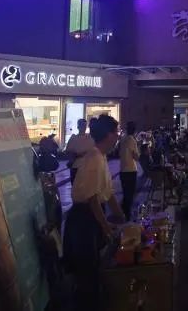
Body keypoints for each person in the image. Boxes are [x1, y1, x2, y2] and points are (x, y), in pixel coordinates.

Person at [63, 115, 125, 310]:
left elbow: (108, 192)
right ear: (109, 135)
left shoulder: (100, 156)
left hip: (90, 216)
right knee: (88, 273)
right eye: (116, 132)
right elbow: (92, 199)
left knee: (93, 267)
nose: (118, 136)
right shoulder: (94, 158)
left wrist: (122, 217)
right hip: (83, 219)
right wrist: (106, 228)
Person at [119, 121, 140, 219]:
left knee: (125, 193)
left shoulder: (123, 139)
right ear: (134, 130)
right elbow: (136, 157)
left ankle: (122, 213)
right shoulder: (132, 140)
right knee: (130, 194)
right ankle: (127, 215)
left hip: (122, 169)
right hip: (131, 169)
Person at [66, 118, 94, 185]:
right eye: (81, 125)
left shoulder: (90, 138)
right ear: (78, 127)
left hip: (88, 167)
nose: (83, 127)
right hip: (76, 167)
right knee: (76, 186)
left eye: (84, 125)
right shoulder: (73, 138)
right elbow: (68, 151)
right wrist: (76, 155)